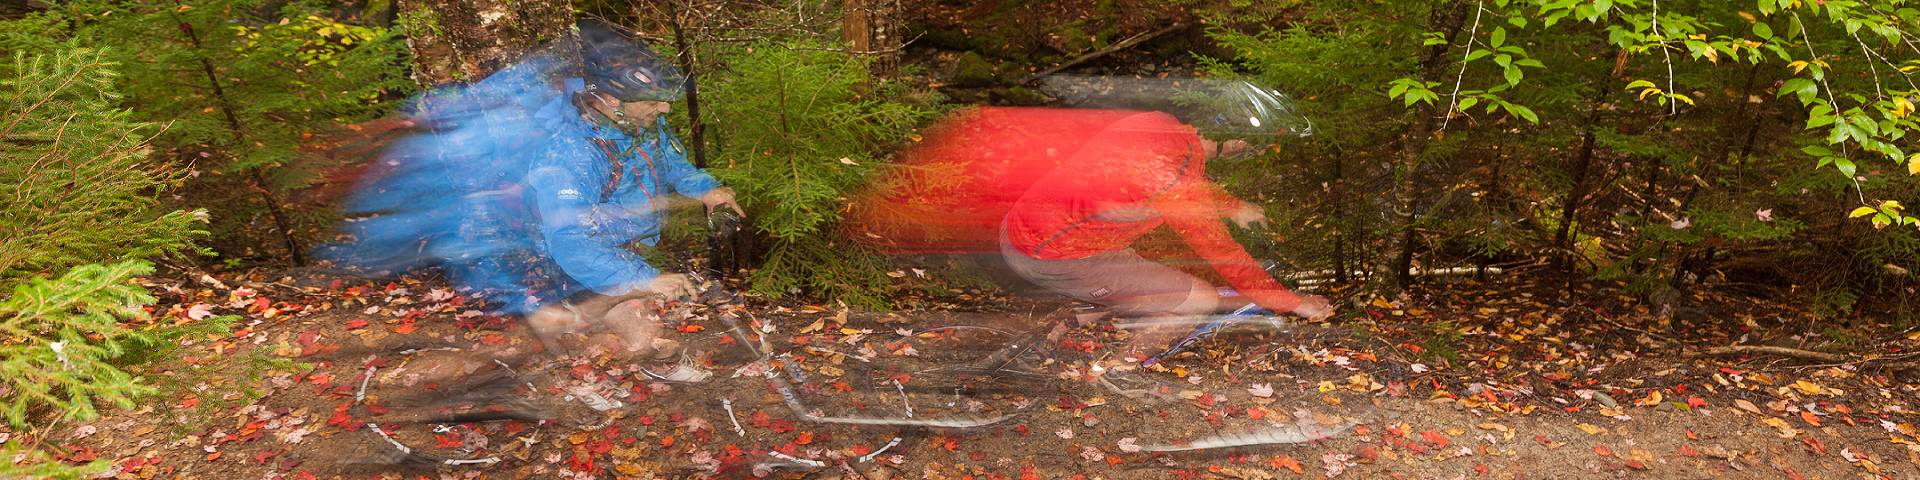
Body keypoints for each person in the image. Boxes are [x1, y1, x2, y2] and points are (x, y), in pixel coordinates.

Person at [321, 20, 741, 371]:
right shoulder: (570, 153)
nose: (663, 111)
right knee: (606, 316)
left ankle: (612, 361)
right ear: (611, 98)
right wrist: (643, 279)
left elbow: (671, 163)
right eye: (652, 103)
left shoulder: (640, 123)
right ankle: (549, 385)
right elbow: (570, 239)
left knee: (626, 315)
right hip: (549, 255)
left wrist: (708, 191)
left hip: (605, 241)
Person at [994, 106, 1332, 362]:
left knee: (1147, 279)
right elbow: (1223, 253)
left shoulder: (1159, 124)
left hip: (1025, 227)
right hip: (1052, 255)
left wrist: (1233, 206)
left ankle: (1075, 317)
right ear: (1238, 142)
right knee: (1201, 298)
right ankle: (1120, 368)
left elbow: (1173, 183)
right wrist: (1292, 302)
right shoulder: (1175, 180)